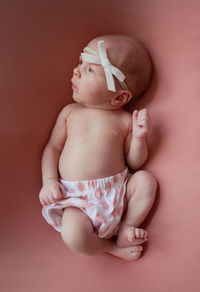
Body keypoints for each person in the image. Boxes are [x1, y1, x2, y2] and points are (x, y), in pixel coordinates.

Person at [39, 34, 157, 261]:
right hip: (76, 200)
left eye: (90, 70)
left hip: (117, 192)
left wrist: (139, 138)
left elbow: (134, 162)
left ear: (120, 96)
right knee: (72, 234)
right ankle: (110, 248)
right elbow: (52, 148)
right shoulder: (70, 112)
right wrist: (49, 181)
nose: (77, 70)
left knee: (145, 181)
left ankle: (126, 226)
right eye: (81, 63)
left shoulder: (124, 121)